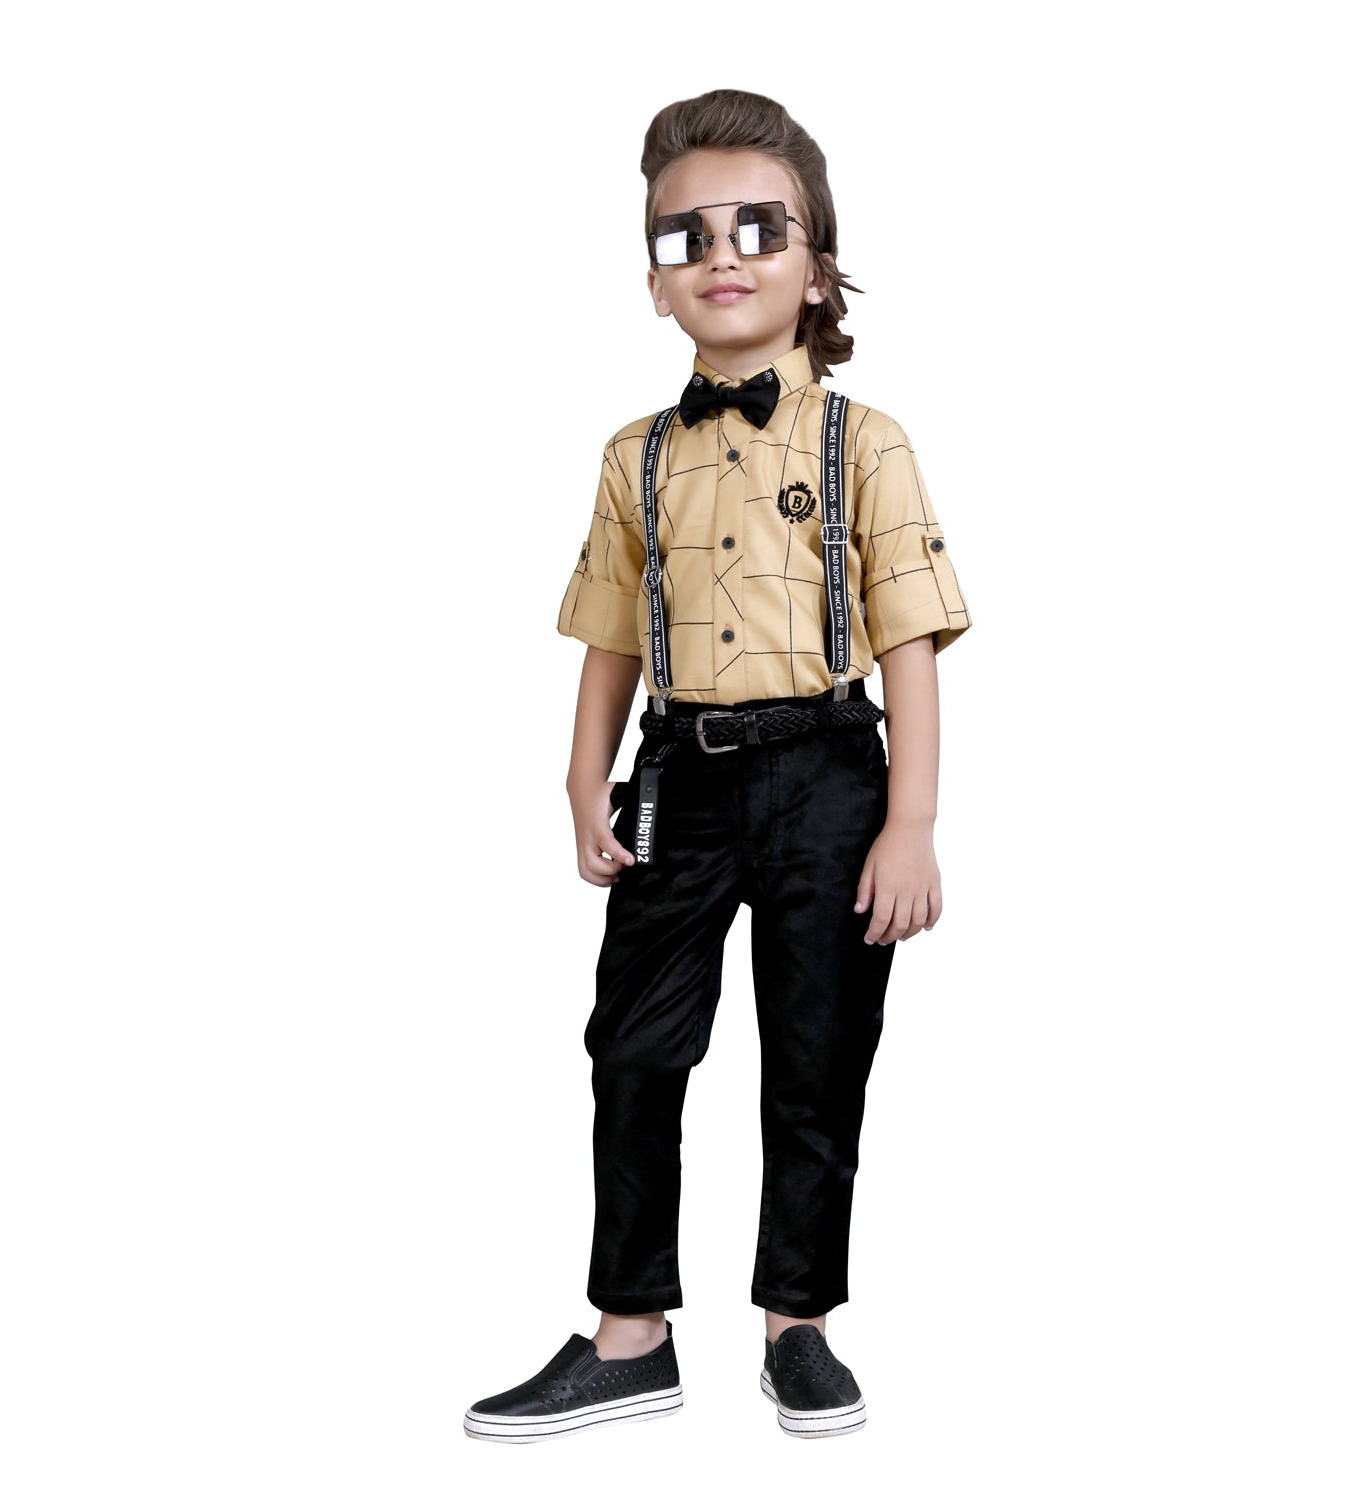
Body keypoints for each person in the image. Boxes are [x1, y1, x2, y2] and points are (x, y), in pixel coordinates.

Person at [464, 88, 969, 1444]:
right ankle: (630, 1334)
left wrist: (911, 820)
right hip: (678, 779)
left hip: (828, 774)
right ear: (653, 282)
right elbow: (611, 631)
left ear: (818, 267)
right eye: (684, 236)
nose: (722, 255)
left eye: (758, 227)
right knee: (633, 1047)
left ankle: (798, 1325)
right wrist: (583, 780)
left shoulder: (867, 443)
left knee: (818, 1055)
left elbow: (912, 636)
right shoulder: (632, 458)